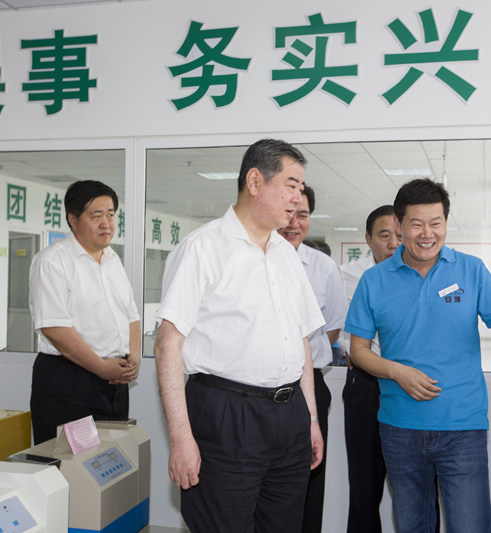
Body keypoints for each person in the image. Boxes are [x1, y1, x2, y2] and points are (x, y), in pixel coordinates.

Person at [154, 138, 325, 533]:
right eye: (291, 185)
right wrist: (180, 438)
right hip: (226, 414)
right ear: (254, 181)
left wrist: (311, 419)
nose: (297, 199)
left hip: (289, 414)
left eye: (301, 189)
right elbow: (167, 345)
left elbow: (300, 341)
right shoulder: (203, 248)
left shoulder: (286, 254)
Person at [345, 178, 491, 533]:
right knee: (412, 527)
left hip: (462, 426)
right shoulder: (374, 281)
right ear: (399, 225)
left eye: (436, 223)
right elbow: (358, 351)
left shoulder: (472, 270)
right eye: (416, 224)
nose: (427, 233)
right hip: (400, 427)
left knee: (470, 526)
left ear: (446, 222)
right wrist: (397, 372)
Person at [28, 180, 141, 445]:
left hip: (113, 382)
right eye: (96, 216)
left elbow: (131, 315)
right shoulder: (52, 262)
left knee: (110, 459)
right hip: (69, 381)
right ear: (73, 219)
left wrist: (133, 357)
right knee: (68, 462)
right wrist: (101, 367)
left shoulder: (113, 260)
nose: (106, 224)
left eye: (111, 215)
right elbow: (55, 329)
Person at [277, 184, 348, 533]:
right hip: (260, 389)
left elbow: (332, 326)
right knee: (268, 480)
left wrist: (303, 356)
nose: (294, 223)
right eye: (288, 213)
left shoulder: (323, 267)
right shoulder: (250, 259)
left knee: (309, 476)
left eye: (302, 215)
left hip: (309, 389)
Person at [339, 205, 399, 533]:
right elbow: (342, 330)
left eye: (399, 235)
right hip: (366, 386)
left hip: (408, 387)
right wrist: (352, 347)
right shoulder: (348, 276)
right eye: (384, 236)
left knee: (417, 488)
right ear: (368, 239)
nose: (393, 244)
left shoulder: (420, 275)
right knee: (364, 489)